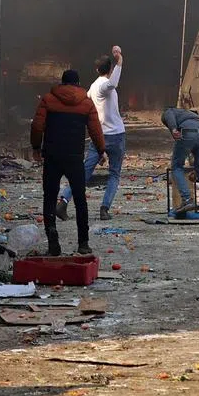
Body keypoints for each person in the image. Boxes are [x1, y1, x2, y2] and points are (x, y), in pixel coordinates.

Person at [31, 70, 104, 256]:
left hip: (52, 156)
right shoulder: (86, 103)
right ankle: (83, 243)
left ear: (62, 83)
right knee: (80, 199)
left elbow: (37, 125)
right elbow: (95, 130)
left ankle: (53, 243)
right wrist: (101, 150)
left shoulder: (48, 100)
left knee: (49, 198)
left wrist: (36, 147)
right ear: (78, 83)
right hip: (75, 157)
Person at [57, 46, 125, 222]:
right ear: (110, 69)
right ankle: (104, 208)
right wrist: (120, 61)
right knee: (114, 174)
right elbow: (113, 83)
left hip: (98, 136)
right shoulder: (103, 86)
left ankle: (63, 201)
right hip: (115, 136)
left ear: (96, 69)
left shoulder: (93, 88)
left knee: (84, 172)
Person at [161, 107, 199, 218]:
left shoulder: (169, 111)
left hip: (188, 132)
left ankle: (187, 199)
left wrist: (173, 129)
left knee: (177, 167)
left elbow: (169, 116)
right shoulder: (189, 114)